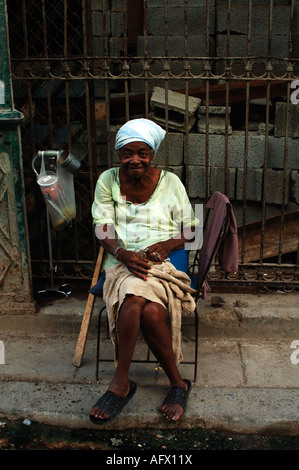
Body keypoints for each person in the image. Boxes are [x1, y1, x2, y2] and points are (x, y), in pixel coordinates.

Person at [89, 118, 199, 424]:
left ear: (152, 153)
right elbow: (101, 228)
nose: (134, 159)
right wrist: (122, 253)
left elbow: (191, 231)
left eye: (142, 153)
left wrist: (167, 244)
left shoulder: (172, 182)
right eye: (127, 153)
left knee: (136, 299)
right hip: (122, 262)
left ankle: (120, 382)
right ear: (118, 153)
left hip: (165, 263)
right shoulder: (108, 180)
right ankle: (178, 384)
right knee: (148, 310)